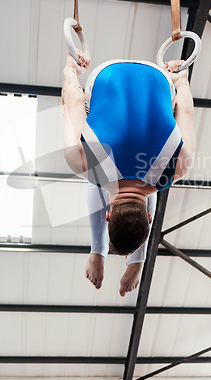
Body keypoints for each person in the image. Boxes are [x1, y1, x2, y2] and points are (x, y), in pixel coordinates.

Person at [62, 52, 196, 296]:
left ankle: (128, 257)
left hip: (160, 79)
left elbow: (186, 113)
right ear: (108, 215)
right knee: (97, 174)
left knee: (153, 178)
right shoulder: (80, 162)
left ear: (150, 217)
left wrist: (181, 80)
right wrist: (71, 70)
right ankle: (111, 253)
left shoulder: (181, 167)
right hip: (105, 74)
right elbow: (73, 101)